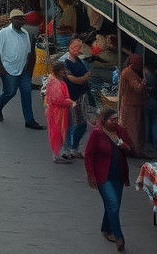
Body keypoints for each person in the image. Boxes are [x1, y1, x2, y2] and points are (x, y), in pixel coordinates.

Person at [84, 109, 132, 251]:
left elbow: (130, 148)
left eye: (117, 119)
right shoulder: (97, 134)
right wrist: (90, 174)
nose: (115, 122)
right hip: (103, 176)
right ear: (104, 120)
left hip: (119, 175)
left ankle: (106, 228)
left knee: (112, 204)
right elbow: (89, 155)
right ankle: (118, 237)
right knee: (113, 204)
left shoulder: (121, 131)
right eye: (112, 119)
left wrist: (122, 145)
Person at [0, 9, 43, 130]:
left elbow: (29, 51)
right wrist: (0, 67)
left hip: (23, 69)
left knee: (26, 92)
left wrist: (28, 66)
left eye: (23, 18)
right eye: (19, 19)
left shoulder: (25, 33)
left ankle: (29, 120)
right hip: (8, 68)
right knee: (10, 92)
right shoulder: (4, 32)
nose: (22, 21)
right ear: (12, 20)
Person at [61, 39, 91, 158]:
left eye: (79, 48)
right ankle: (66, 149)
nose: (77, 50)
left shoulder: (79, 60)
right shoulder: (65, 62)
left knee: (82, 123)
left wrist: (85, 77)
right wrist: (85, 77)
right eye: (74, 47)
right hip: (70, 97)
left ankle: (74, 147)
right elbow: (73, 79)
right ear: (70, 47)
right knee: (68, 123)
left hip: (81, 96)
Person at [44, 60, 76, 164]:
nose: (64, 72)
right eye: (63, 70)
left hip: (57, 111)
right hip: (58, 112)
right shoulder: (56, 83)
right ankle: (57, 154)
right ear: (58, 71)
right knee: (58, 132)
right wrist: (71, 102)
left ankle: (58, 153)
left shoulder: (53, 80)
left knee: (58, 132)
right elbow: (58, 99)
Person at [117, 54, 146, 156]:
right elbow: (137, 88)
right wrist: (144, 82)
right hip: (130, 105)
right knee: (132, 129)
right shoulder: (129, 73)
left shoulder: (130, 71)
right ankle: (133, 149)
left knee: (134, 127)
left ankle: (131, 148)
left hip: (133, 104)